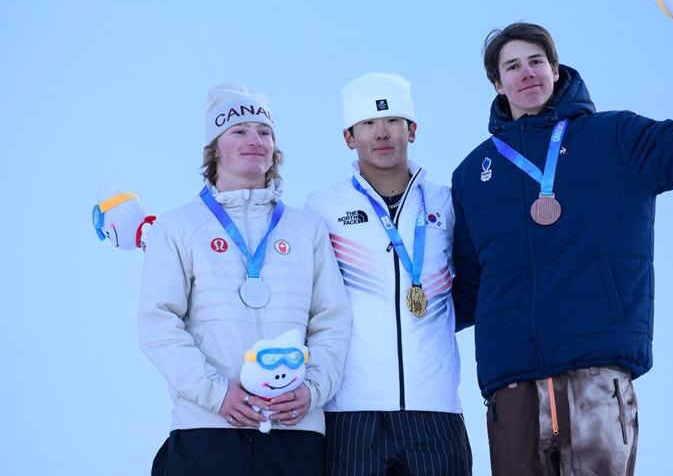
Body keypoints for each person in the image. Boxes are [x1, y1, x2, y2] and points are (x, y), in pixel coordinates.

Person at [451, 0, 673, 476]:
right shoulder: (472, 174)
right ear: (497, 83)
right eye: (512, 67)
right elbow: (463, 290)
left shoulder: (617, 139)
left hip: (594, 375)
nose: (527, 72)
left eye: (536, 61)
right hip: (513, 390)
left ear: (555, 69)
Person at [138, 82, 352, 475]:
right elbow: (158, 324)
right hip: (208, 430)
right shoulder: (178, 227)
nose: (255, 140)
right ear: (214, 148)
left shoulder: (306, 229)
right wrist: (217, 394)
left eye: (265, 132)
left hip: (294, 431)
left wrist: (312, 389)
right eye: (239, 130)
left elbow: (332, 321)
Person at [305, 72, 472, 475]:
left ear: (411, 130)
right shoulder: (322, 208)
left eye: (393, 121)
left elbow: (473, 282)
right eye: (368, 124)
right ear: (349, 137)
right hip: (351, 410)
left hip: (435, 408)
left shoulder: (445, 203)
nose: (382, 133)